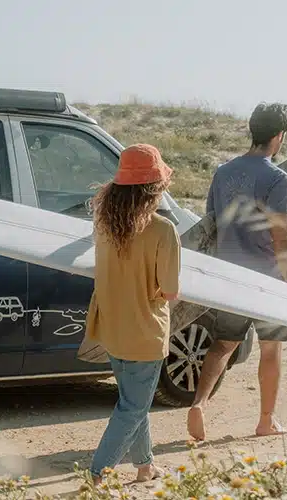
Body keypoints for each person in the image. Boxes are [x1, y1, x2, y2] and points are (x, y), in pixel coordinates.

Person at [187, 103, 287, 441]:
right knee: (271, 348)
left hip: (230, 276)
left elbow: (211, 224)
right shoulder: (278, 179)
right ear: (279, 136)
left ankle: (199, 404)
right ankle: (266, 421)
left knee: (222, 345)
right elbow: (282, 236)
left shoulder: (223, 173)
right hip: (267, 281)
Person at [84, 143, 182, 483]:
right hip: (144, 332)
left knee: (133, 401)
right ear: (155, 188)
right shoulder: (163, 230)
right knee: (133, 407)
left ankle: (145, 466)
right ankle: (98, 474)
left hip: (112, 327)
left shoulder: (104, 223)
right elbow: (170, 291)